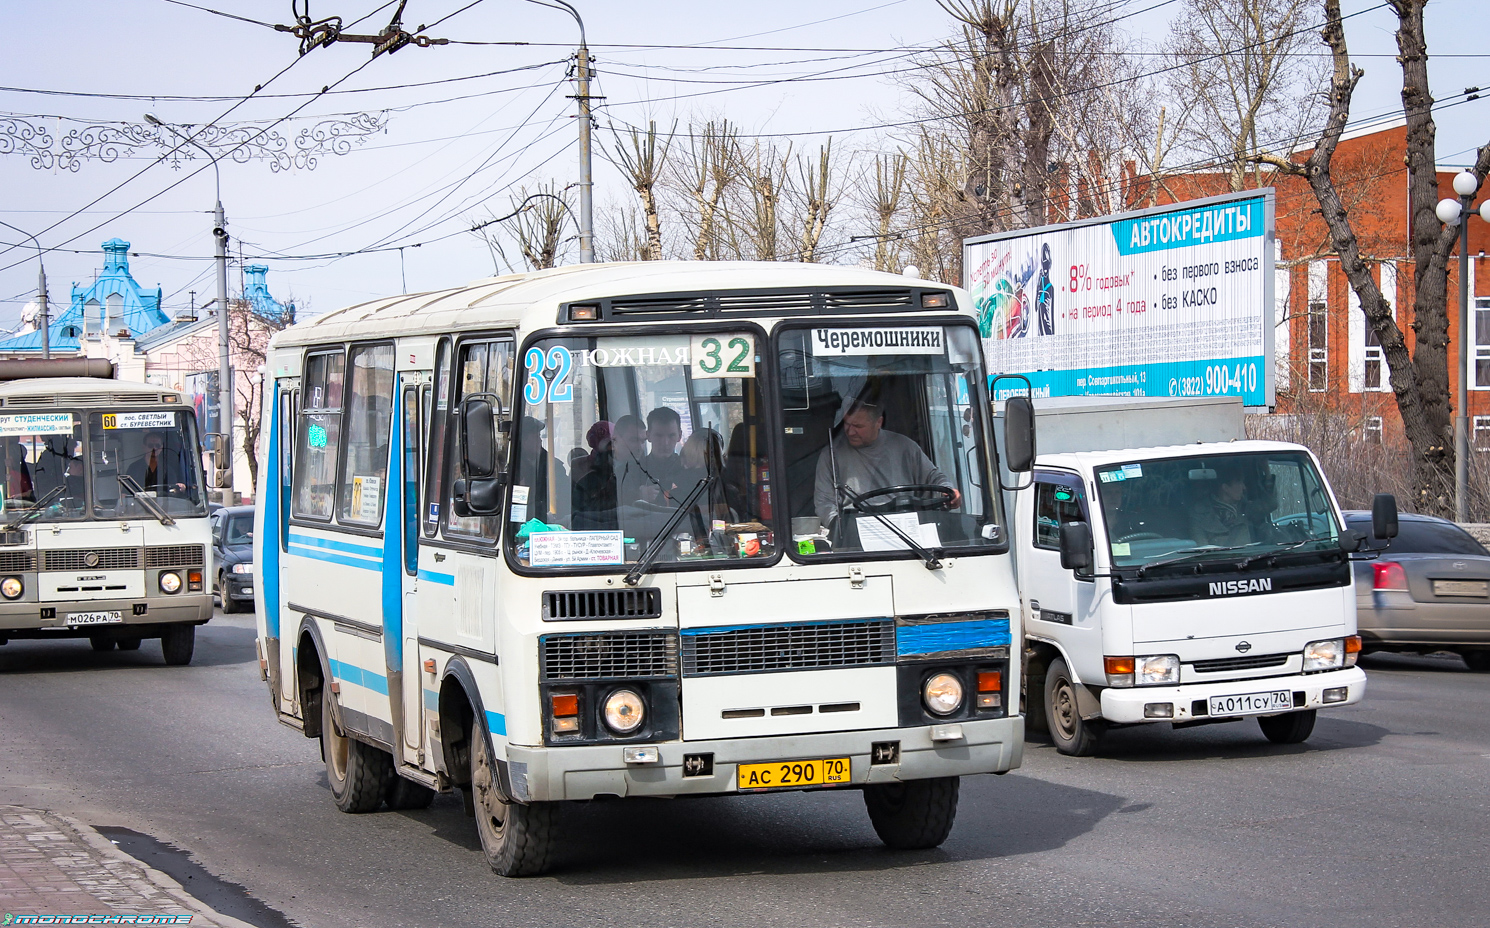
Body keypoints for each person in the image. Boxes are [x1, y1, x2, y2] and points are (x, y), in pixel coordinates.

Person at [814, 400, 959, 526]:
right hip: (857, 526)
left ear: (878, 422)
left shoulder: (905, 446)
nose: (850, 432)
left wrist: (948, 490)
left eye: (857, 426)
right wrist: (838, 528)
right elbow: (824, 503)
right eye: (847, 424)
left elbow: (933, 477)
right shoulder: (831, 454)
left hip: (908, 524)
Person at [1189, 467, 1254, 547]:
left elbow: (1269, 505)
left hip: (1251, 558)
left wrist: (1267, 473)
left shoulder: (1245, 508)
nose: (1244, 487)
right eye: (1238, 482)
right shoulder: (1200, 515)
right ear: (1225, 488)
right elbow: (1202, 550)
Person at [641, 407, 685, 500]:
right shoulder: (633, 471)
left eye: (671, 435)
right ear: (648, 435)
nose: (665, 442)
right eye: (659, 435)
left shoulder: (688, 471)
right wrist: (636, 495)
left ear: (679, 436)